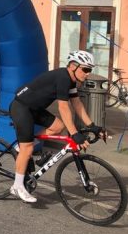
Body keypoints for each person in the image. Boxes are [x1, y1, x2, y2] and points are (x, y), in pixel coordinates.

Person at [9, 50, 103, 203]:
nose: (88, 74)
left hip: (35, 109)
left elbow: (77, 103)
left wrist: (92, 126)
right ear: (73, 66)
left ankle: (22, 148)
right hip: (22, 107)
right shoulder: (63, 77)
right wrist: (74, 134)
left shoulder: (71, 80)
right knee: (28, 149)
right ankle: (17, 186)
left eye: (90, 70)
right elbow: (63, 107)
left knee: (58, 127)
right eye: (85, 69)